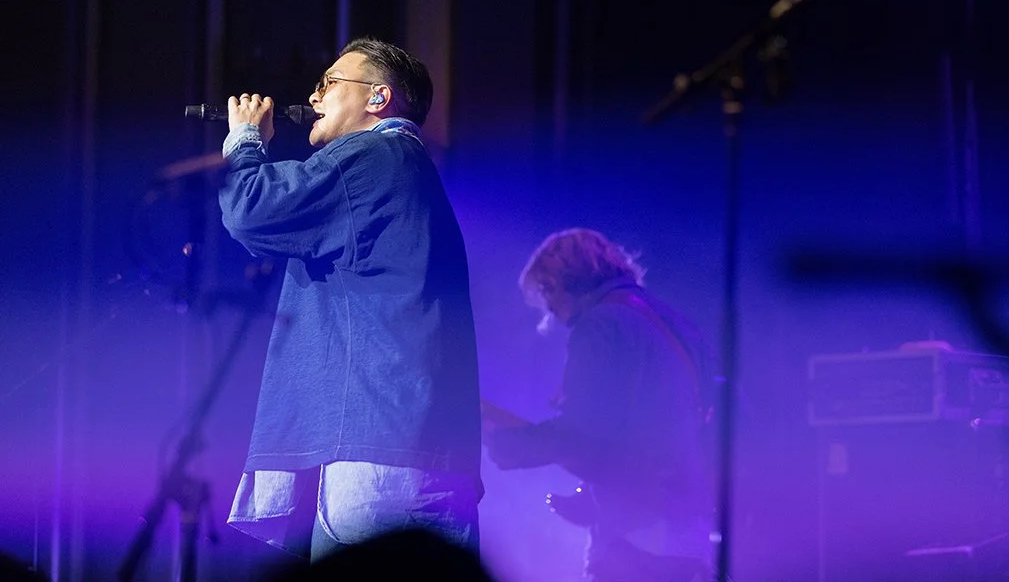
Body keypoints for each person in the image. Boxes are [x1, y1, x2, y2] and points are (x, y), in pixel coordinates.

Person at [217, 36, 482, 563]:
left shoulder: (374, 153)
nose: (313, 98)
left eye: (329, 84)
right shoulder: (401, 167)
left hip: (379, 454)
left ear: (378, 99)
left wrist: (245, 141)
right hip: (407, 451)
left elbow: (253, 209)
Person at [482, 228, 716, 581]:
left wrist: (502, 442)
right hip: (689, 526)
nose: (551, 312)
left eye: (546, 293)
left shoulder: (601, 323)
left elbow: (585, 432)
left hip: (637, 534)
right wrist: (590, 497)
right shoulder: (671, 320)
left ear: (557, 283)